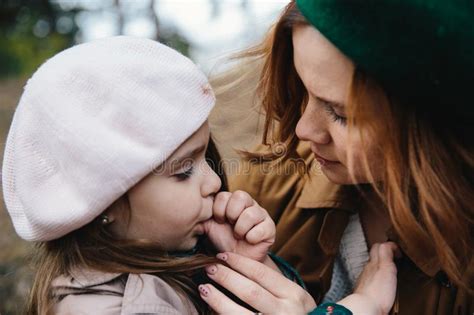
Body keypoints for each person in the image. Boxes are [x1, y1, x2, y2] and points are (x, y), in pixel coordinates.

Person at [199, 1, 474, 314]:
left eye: (341, 114)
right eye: (302, 90)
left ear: (437, 126)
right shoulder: (264, 185)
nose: (303, 129)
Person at [1, 36, 281, 314]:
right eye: (184, 171)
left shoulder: (170, 263)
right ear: (104, 204)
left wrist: (243, 267)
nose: (215, 182)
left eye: (205, 157)